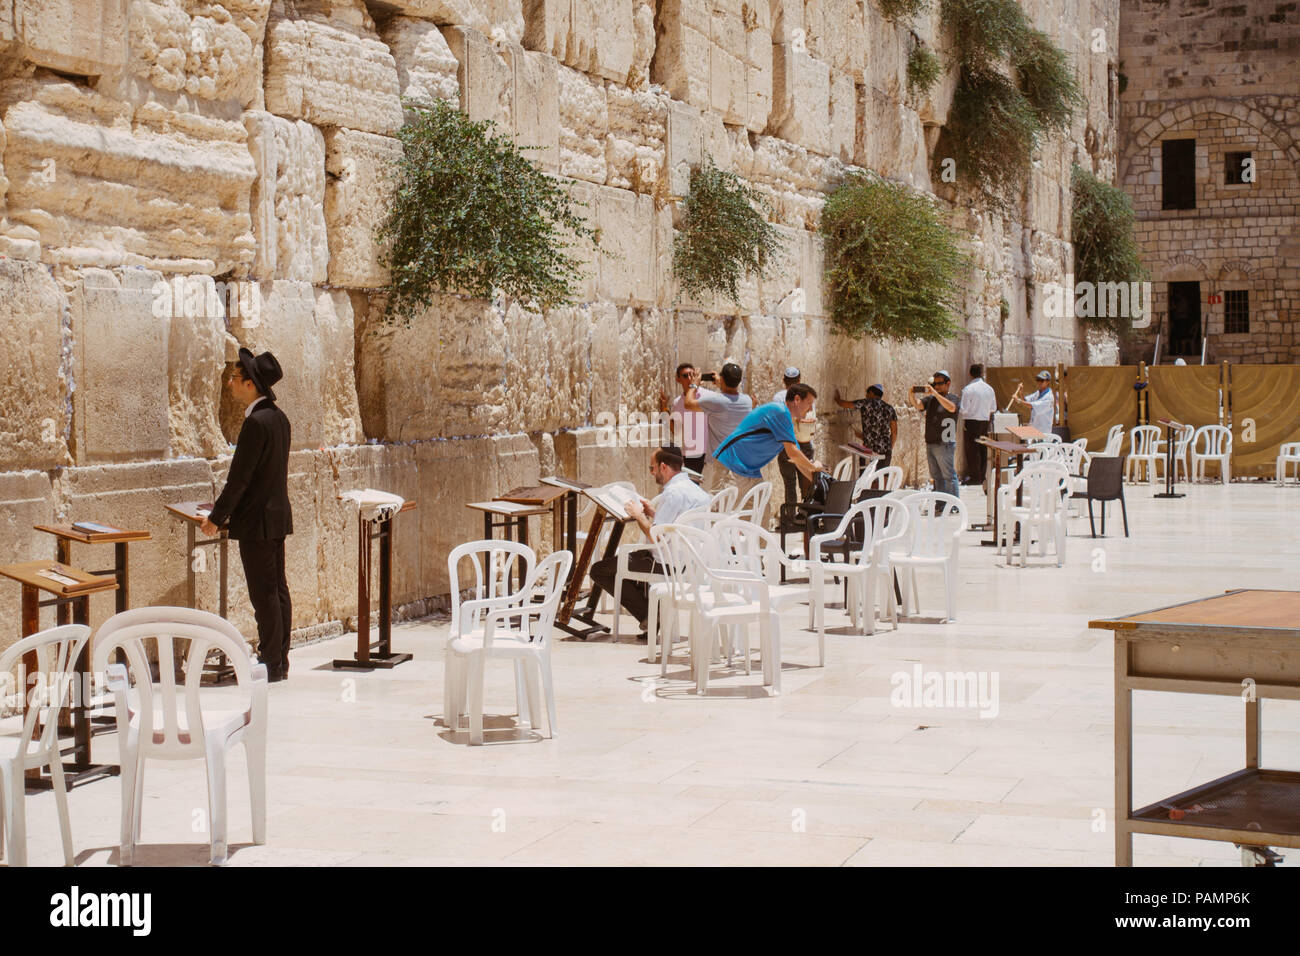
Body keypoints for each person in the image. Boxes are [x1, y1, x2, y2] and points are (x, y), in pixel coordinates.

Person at [200, 349, 293, 682]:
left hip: (257, 521)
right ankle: (279, 658)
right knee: (277, 589)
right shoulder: (279, 418)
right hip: (276, 517)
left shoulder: (256, 423)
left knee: (263, 593)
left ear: (252, 385)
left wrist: (216, 517)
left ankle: (270, 664)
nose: (230, 383)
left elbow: (240, 479)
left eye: (236, 378)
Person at [588, 445, 709, 640]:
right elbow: (676, 524)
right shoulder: (696, 491)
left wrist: (637, 515)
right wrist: (652, 512)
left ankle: (650, 614)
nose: (652, 474)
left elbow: (657, 537)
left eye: (652, 468)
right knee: (624, 561)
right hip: (689, 562)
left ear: (663, 467)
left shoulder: (672, 493)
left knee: (599, 570)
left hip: (665, 563)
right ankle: (653, 611)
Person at [705, 384, 825, 527]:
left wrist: (818, 480)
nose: (811, 409)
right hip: (731, 462)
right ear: (797, 399)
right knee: (721, 514)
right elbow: (794, 453)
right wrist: (813, 466)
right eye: (809, 403)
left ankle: (754, 549)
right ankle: (710, 547)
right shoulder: (779, 412)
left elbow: (796, 460)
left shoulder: (786, 421)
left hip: (750, 471)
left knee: (761, 513)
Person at [683, 362, 752, 463]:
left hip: (722, 461)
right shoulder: (747, 401)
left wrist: (694, 384)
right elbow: (732, 395)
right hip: (741, 459)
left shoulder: (715, 401)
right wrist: (722, 383)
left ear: (722, 379)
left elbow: (688, 403)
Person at [910, 370, 961, 501]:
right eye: (935, 384)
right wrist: (911, 395)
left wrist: (935, 394)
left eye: (939, 384)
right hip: (931, 442)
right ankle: (941, 503)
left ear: (948, 383)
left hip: (945, 443)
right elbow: (919, 405)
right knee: (936, 477)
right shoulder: (931, 399)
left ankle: (954, 505)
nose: (937, 387)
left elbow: (951, 408)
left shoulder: (953, 398)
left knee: (949, 476)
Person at [772, 366, 817, 505]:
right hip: (804, 443)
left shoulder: (778, 397)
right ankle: (807, 516)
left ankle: (789, 520)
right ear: (799, 380)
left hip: (787, 445)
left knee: (789, 484)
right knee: (807, 483)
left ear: (784, 381)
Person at [659, 363, 708, 476]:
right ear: (678, 379)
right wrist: (664, 409)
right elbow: (676, 430)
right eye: (685, 376)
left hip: (707, 451)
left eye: (692, 375)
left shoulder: (706, 396)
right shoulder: (677, 403)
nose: (690, 379)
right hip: (691, 453)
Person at [833, 383, 897, 469]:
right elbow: (894, 432)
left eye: (867, 393)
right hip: (885, 449)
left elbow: (847, 405)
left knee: (866, 478)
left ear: (871, 393)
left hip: (869, 450)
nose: (866, 396)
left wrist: (837, 399)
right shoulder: (890, 408)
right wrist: (889, 448)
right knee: (882, 477)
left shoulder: (866, 403)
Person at [959, 363, 997, 485]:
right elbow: (993, 408)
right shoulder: (989, 389)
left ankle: (974, 477)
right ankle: (981, 476)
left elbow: (963, 409)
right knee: (982, 448)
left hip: (971, 422)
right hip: (985, 421)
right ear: (982, 373)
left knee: (972, 449)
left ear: (970, 374)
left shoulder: (968, 389)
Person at [1012, 370, 1055, 434]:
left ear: (1048, 382)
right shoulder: (1038, 393)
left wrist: (1019, 400)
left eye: (1042, 380)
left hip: (1043, 431)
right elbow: (1026, 401)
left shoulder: (1049, 397)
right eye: (1038, 380)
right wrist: (1021, 392)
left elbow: (1031, 405)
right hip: (1034, 429)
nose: (1039, 382)